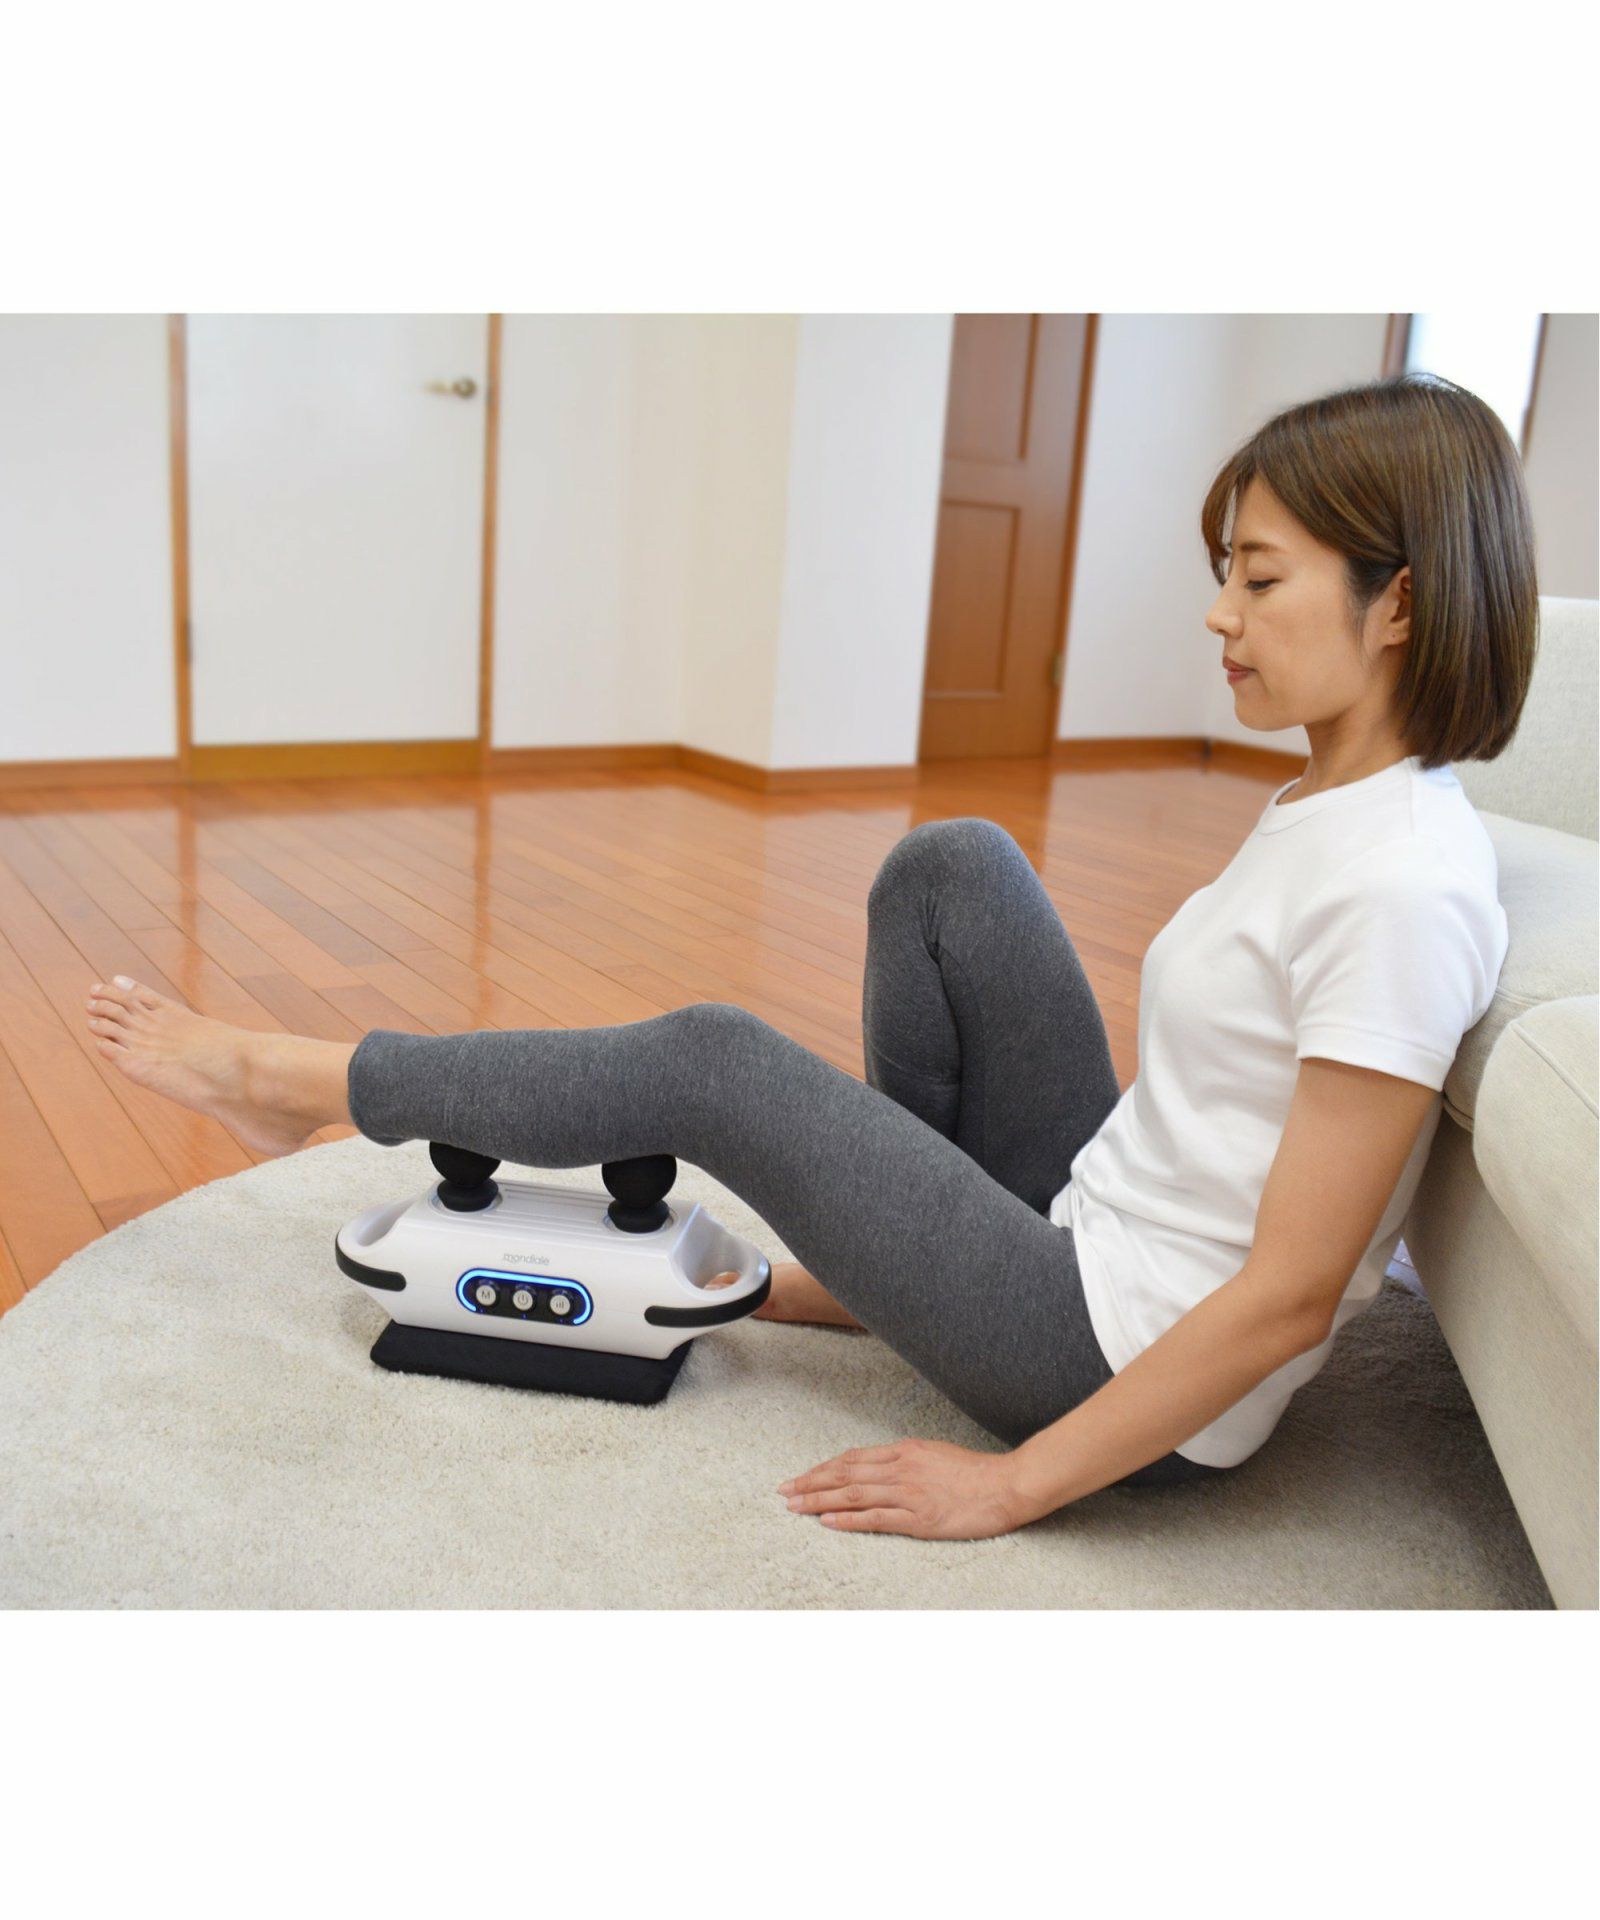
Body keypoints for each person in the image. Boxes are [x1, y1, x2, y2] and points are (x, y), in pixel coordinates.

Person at [82, 372, 1534, 1543]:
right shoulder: (1335, 805)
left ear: (1400, 603)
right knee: (954, 868)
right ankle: (894, 1265)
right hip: (1092, 1226)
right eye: (1227, 573)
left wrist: (1011, 1486)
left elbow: (1290, 1294)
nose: (1220, 612)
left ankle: (300, 1081)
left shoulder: (1399, 890)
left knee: (715, 1063)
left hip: (1106, 1349)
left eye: (1261, 579)